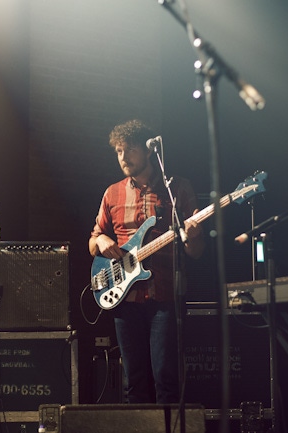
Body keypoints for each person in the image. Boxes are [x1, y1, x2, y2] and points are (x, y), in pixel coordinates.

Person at [89, 119, 205, 403]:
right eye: (118, 151)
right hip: (124, 298)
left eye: (129, 150)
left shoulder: (176, 189)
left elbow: (196, 253)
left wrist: (193, 235)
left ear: (148, 151)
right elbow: (93, 240)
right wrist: (102, 241)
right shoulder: (112, 192)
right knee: (134, 381)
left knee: (166, 379)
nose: (124, 158)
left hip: (164, 296)